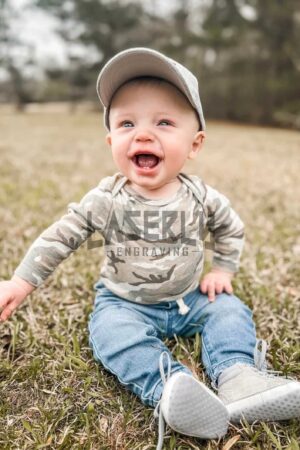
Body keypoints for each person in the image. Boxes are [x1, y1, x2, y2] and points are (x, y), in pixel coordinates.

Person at [0, 48, 299, 449]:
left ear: (194, 144)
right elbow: (60, 236)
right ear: (111, 141)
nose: (143, 134)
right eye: (127, 123)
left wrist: (223, 271)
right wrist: (20, 282)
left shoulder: (202, 197)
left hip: (191, 297)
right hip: (124, 301)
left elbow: (231, 228)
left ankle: (238, 376)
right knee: (111, 334)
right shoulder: (106, 198)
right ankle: (171, 389)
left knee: (230, 311)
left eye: (163, 122)